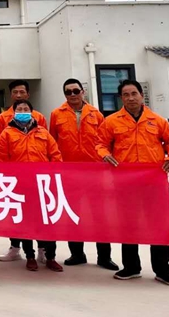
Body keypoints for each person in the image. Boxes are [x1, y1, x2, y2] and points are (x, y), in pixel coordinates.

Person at [95, 80, 169, 287]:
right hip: (125, 183)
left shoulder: (157, 121)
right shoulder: (112, 121)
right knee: (128, 224)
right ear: (121, 98)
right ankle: (131, 267)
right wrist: (104, 154)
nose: (130, 98)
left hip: (153, 182)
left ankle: (162, 270)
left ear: (141, 95)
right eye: (126, 95)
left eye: (134, 93)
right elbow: (100, 143)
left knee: (158, 225)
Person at [49, 78, 118, 271]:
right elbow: (52, 142)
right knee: (73, 213)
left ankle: (104, 256)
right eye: (68, 92)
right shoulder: (56, 114)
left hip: (94, 172)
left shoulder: (96, 114)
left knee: (99, 215)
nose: (72, 95)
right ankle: (77, 254)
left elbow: (105, 142)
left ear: (82, 92)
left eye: (75, 91)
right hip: (69, 172)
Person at [0, 99, 64, 273]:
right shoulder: (7, 133)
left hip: (43, 184)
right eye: (19, 109)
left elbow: (55, 155)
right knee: (25, 223)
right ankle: (30, 256)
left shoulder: (43, 133)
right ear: (14, 113)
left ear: (32, 112)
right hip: (20, 185)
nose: (23, 111)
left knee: (47, 222)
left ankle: (50, 257)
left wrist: (53, 176)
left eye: (26, 109)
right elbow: (1, 158)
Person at [0, 79, 48, 262]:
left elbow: (47, 144)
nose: (18, 95)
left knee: (39, 214)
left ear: (28, 94)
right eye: (15, 92)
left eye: (22, 92)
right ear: (10, 95)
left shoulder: (39, 117)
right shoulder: (3, 118)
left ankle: (42, 249)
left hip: (38, 177)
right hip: (14, 178)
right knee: (16, 213)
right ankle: (15, 247)